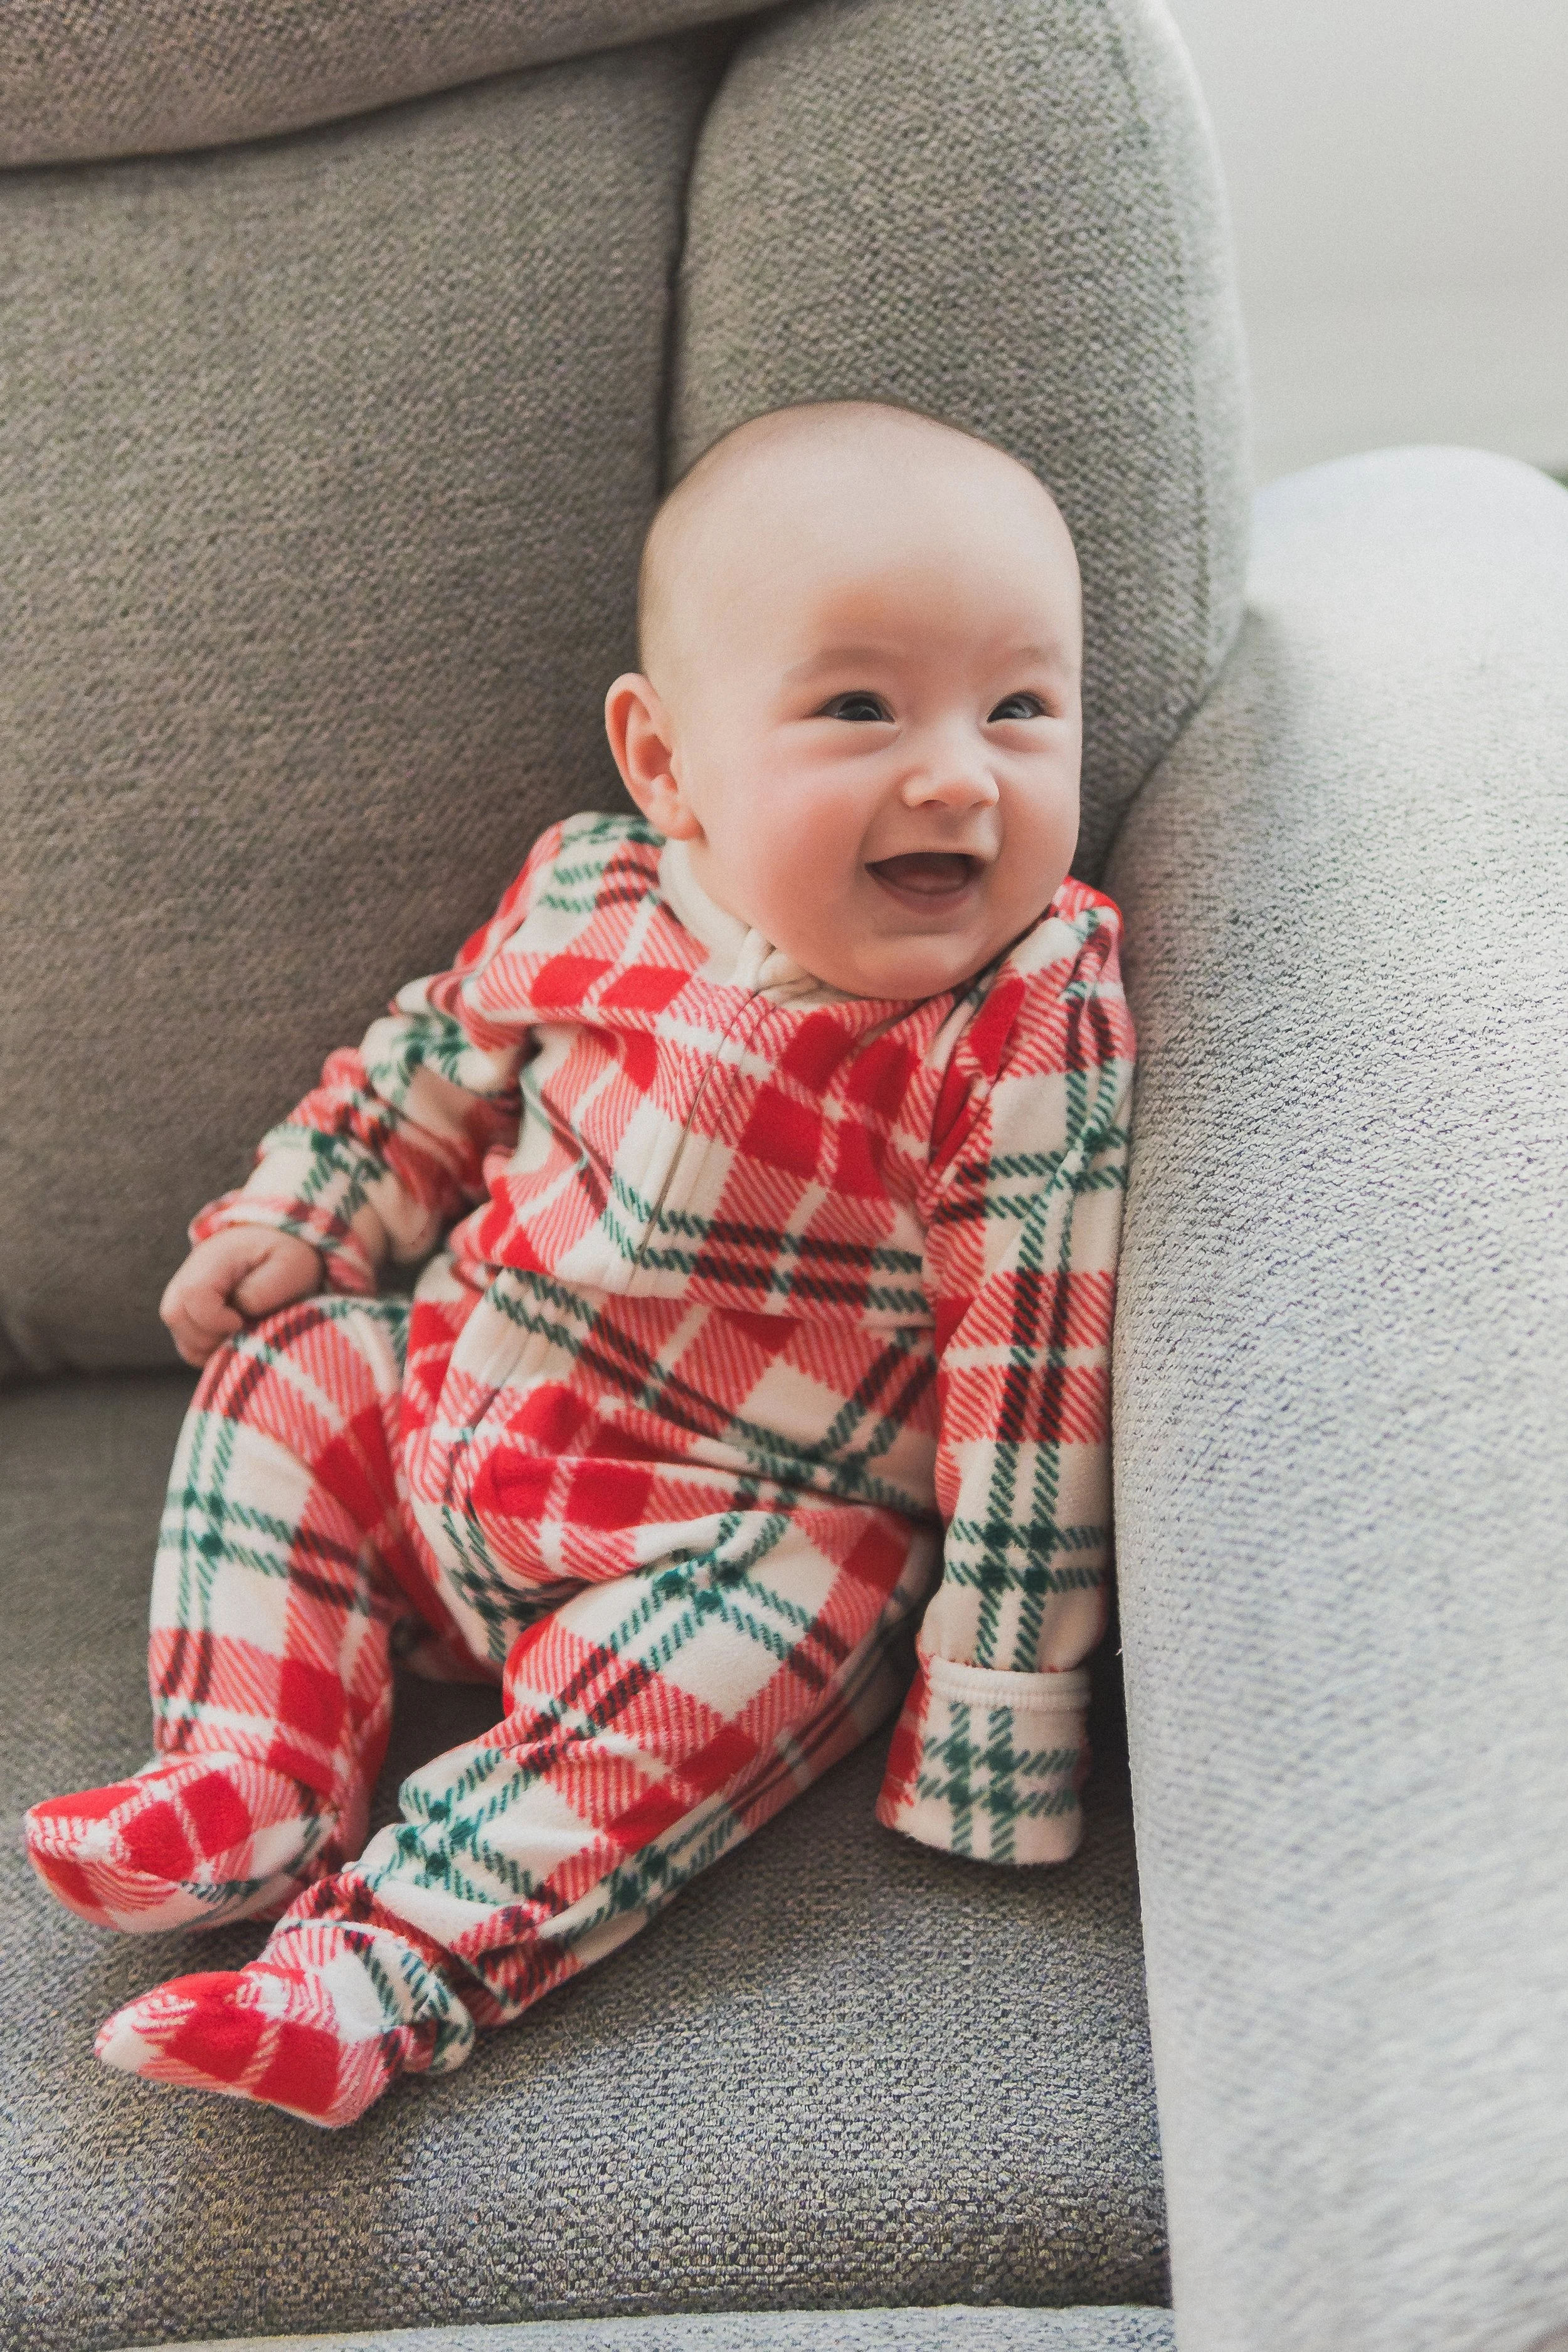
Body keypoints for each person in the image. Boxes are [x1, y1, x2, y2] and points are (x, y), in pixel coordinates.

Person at [24, 400, 1136, 2127]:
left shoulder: (1014, 1017)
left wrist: (995, 1707)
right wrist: (301, 1217)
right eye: (859, 707)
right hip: (450, 1417)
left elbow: (1034, 1372)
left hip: (724, 1528)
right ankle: (249, 1770)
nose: (952, 774)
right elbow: (425, 1066)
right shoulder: (588, 888)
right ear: (667, 762)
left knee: (783, 1616)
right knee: (292, 1366)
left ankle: (376, 1974)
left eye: (1020, 708)